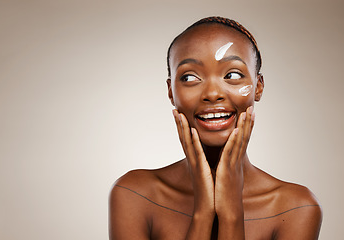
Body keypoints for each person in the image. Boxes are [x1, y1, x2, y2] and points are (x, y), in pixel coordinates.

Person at [109, 16, 322, 239]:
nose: (212, 93)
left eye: (232, 75)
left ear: (258, 87)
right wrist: (203, 211)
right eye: (190, 77)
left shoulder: (296, 208)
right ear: (171, 91)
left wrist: (231, 212)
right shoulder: (134, 194)